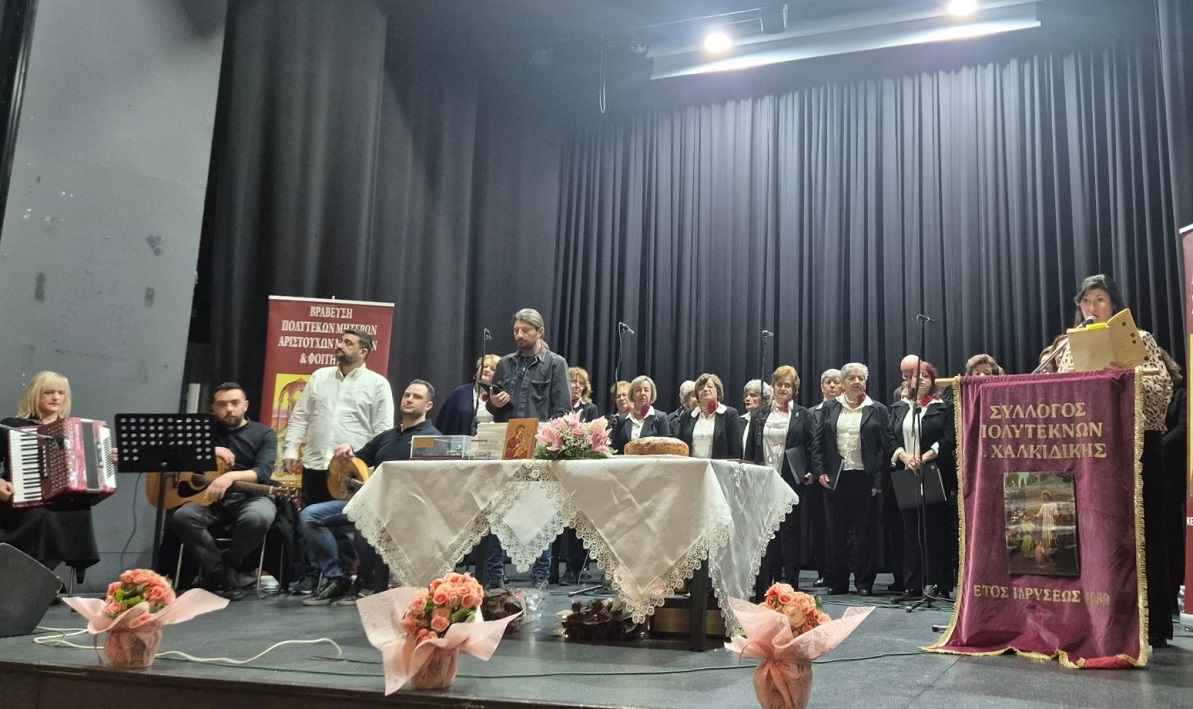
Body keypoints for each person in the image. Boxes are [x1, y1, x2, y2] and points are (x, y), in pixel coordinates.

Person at [1055, 274, 1174, 647]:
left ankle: (1152, 624)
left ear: (1115, 305)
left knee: (1143, 532)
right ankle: (1096, 619)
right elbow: (1061, 395)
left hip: (1137, 446)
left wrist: (1119, 377)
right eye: (1085, 301)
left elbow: (1161, 391)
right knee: (1094, 533)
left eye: (1099, 299)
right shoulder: (1069, 348)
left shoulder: (1140, 339)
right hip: (1092, 449)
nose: (1091, 307)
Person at [301, 380, 441, 606]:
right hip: (369, 503)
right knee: (310, 516)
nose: (409, 399)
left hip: (404, 510)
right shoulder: (386, 436)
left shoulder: (432, 438)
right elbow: (357, 461)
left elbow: (431, 482)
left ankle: (368, 583)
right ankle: (338, 578)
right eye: (407, 395)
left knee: (365, 519)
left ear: (428, 406)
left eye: (417, 397)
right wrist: (346, 452)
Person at [484, 308, 571, 588]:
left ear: (540, 331)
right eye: (515, 331)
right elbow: (493, 407)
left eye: (525, 330)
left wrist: (548, 441)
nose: (519, 335)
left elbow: (562, 410)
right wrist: (493, 404)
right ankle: (494, 576)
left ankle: (540, 575)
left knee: (540, 512)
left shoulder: (555, 363)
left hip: (539, 448)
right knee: (499, 510)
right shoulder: (505, 363)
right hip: (506, 445)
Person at [171, 382, 279, 601]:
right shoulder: (204, 432)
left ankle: (221, 569)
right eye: (222, 404)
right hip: (208, 499)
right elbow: (173, 453)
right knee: (183, 516)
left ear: (245, 405)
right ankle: (224, 575)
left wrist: (230, 477)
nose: (229, 409)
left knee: (258, 518)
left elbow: (263, 471)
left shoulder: (264, 433)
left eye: (234, 403)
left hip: (250, 497)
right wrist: (212, 449)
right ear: (214, 408)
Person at [0, 371, 99, 578]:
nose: (56, 397)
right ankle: (24, 578)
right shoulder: (12, 426)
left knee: (78, 515)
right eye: (49, 392)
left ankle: (38, 580)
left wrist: (105, 456)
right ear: (35, 394)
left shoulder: (73, 430)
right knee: (42, 516)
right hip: (17, 500)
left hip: (61, 502)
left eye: (61, 393)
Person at [282, 329, 395, 505]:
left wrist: (370, 468)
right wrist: (290, 449)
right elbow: (301, 416)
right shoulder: (319, 376)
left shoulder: (378, 384)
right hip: (315, 465)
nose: (340, 345)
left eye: (348, 343)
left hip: (352, 471)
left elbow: (383, 431)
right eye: (341, 341)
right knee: (307, 518)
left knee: (345, 522)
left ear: (363, 352)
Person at [811, 362, 895, 596]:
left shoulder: (877, 409)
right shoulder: (830, 407)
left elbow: (884, 447)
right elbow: (818, 443)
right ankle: (838, 581)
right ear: (843, 383)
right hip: (836, 478)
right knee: (835, 532)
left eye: (861, 378)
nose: (857, 382)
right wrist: (820, 471)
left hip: (865, 478)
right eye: (852, 378)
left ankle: (864, 582)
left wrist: (879, 481)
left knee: (865, 533)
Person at [887, 362, 956, 602]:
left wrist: (925, 456)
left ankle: (939, 583)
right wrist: (905, 457)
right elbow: (889, 437)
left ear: (933, 381)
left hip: (934, 471)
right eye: (917, 376)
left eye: (926, 376)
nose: (922, 380)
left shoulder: (943, 407)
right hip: (907, 471)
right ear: (909, 382)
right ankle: (912, 585)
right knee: (911, 530)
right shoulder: (899, 408)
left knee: (936, 530)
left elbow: (949, 438)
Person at [746, 366, 812, 595]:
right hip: (764, 480)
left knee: (791, 532)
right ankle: (767, 580)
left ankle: (791, 581)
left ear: (794, 389)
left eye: (788, 385)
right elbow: (750, 449)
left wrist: (810, 471)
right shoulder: (760, 415)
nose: (783, 389)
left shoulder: (803, 415)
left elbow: (811, 445)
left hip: (791, 480)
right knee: (767, 533)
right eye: (779, 384)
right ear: (773, 387)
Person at [805, 369, 842, 588]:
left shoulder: (847, 410)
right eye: (828, 382)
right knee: (819, 526)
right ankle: (823, 571)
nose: (832, 386)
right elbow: (808, 445)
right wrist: (814, 471)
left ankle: (841, 571)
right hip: (816, 478)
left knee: (839, 528)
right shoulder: (811, 412)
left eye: (836, 382)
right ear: (821, 387)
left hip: (840, 475)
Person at [1160, 347, 1187, 614]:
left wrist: (1155, 447)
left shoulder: (1181, 396)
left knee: (1169, 535)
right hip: (1145, 473)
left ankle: (1170, 599)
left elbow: (1184, 428)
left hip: (1170, 474)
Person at [675, 373, 743, 460]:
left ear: (718, 391)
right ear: (697, 394)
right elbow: (681, 447)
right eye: (701, 388)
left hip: (719, 467)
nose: (705, 389)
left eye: (710, 386)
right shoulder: (687, 416)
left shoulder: (730, 414)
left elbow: (735, 449)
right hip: (691, 467)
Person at [435, 354, 500, 436]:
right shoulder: (459, 394)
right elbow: (443, 423)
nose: (487, 370)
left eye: (493, 369)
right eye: (484, 366)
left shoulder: (500, 396)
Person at [610, 375, 671, 454]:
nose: (642, 393)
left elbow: (666, 449)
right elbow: (615, 450)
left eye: (646, 390)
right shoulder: (621, 420)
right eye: (638, 390)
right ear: (631, 395)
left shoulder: (660, 418)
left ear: (651, 394)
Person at [741, 379, 773, 452]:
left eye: (753, 395)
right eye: (746, 396)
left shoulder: (770, 420)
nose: (747, 399)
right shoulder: (741, 420)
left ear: (764, 399)